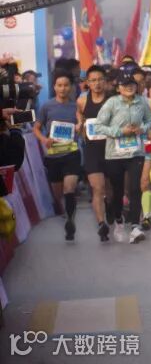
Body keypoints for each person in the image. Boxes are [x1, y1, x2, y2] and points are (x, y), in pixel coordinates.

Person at [95, 67, 151, 244]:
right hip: (115, 154)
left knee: (136, 188)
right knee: (117, 190)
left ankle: (135, 226)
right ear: (118, 87)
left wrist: (142, 129)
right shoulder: (112, 103)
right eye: (125, 84)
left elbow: (150, 120)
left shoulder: (142, 102)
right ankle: (119, 221)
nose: (129, 87)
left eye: (132, 84)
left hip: (136, 152)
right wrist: (120, 132)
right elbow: (99, 126)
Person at [33, 71, 82, 241]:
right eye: (59, 85)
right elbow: (36, 128)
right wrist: (44, 140)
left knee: (69, 188)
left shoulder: (75, 106)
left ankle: (70, 222)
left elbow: (81, 125)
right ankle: (66, 212)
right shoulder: (47, 106)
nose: (63, 88)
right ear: (54, 87)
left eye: (66, 85)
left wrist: (79, 126)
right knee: (59, 193)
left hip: (71, 153)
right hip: (53, 156)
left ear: (71, 87)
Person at [76, 65, 112, 241]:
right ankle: (101, 224)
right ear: (87, 83)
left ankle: (110, 209)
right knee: (98, 188)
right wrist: (80, 126)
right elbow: (80, 120)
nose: (97, 83)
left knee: (110, 190)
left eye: (100, 80)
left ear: (105, 82)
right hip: (92, 151)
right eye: (93, 80)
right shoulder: (82, 101)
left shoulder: (113, 100)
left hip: (112, 150)